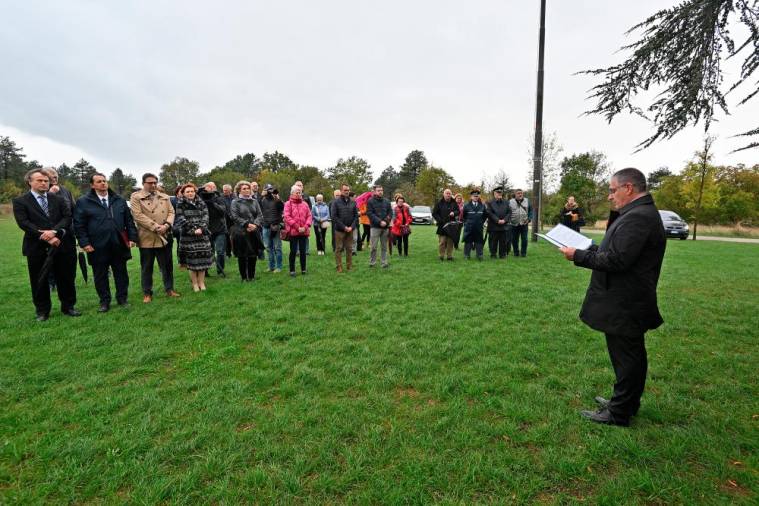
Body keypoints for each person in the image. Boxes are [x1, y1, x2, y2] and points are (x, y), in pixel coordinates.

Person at [560, 168, 666, 427]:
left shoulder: (638, 217)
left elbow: (618, 260)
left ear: (628, 188)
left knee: (628, 356)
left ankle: (619, 412)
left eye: (612, 190)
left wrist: (579, 255)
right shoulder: (636, 213)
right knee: (626, 355)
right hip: (624, 298)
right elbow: (618, 251)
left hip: (626, 300)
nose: (609, 196)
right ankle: (624, 402)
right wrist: (591, 248)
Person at [12, 168, 80, 321]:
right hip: (36, 247)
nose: (44, 183)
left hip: (62, 245)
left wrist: (54, 232)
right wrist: (45, 236)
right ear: (29, 181)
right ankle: (42, 311)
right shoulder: (20, 201)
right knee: (39, 279)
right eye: (40, 180)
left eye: (46, 181)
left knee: (66, 277)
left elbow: (67, 217)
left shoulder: (58, 199)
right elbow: (24, 223)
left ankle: (68, 307)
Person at [73, 173, 138, 312]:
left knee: (121, 273)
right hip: (96, 245)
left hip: (118, 243)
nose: (103, 183)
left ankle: (122, 299)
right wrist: (84, 243)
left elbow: (129, 221)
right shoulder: (84, 201)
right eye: (99, 181)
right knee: (100, 275)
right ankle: (104, 302)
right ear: (92, 185)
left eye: (104, 181)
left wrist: (132, 238)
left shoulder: (118, 199)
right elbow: (79, 225)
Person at [130, 173, 180, 302]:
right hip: (147, 237)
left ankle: (169, 289)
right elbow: (137, 215)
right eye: (150, 182)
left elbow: (171, 212)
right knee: (147, 267)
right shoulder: (136, 197)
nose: (153, 185)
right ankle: (147, 293)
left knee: (167, 266)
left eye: (155, 182)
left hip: (165, 235)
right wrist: (156, 227)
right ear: (143, 183)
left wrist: (167, 225)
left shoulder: (164, 196)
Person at [175, 183, 214, 291]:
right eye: (188, 192)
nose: (190, 193)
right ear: (183, 193)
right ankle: (195, 284)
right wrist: (193, 230)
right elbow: (181, 218)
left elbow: (206, 216)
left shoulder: (201, 202)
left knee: (202, 260)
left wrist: (201, 228)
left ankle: (201, 282)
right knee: (192, 261)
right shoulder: (180, 204)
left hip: (202, 234)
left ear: (195, 192)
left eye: (192, 191)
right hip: (188, 236)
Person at [230, 181, 264, 281]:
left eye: (248, 188)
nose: (246, 190)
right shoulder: (235, 202)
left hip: (254, 231)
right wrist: (247, 224)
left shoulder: (254, 201)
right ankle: (244, 277)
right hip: (241, 232)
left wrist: (255, 225)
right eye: (244, 188)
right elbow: (234, 216)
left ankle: (252, 276)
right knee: (242, 255)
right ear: (239, 190)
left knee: (253, 254)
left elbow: (260, 215)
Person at [198, 182, 229, 277]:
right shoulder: (200, 198)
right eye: (206, 189)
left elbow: (223, 212)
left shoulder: (219, 198)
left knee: (220, 251)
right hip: (206, 229)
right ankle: (205, 271)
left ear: (214, 188)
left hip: (220, 229)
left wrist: (212, 203)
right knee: (207, 251)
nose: (208, 191)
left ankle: (220, 270)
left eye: (211, 188)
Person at [283, 185, 312, 277]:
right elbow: (287, 217)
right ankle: (292, 270)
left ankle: (303, 269)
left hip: (304, 231)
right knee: (293, 251)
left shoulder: (305, 204)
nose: (299, 194)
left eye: (300, 192)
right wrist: (297, 227)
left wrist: (306, 226)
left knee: (303, 251)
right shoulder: (288, 204)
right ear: (292, 193)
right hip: (293, 232)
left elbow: (309, 216)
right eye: (297, 192)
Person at [330, 183, 358, 272]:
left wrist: (351, 227)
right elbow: (334, 217)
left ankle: (349, 267)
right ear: (341, 191)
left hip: (350, 230)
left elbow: (356, 217)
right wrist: (344, 227)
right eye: (345, 190)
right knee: (338, 248)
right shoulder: (336, 202)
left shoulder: (353, 202)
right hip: (339, 230)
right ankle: (339, 267)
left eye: (348, 190)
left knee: (349, 248)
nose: (347, 192)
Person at [260, 184, 285, 272]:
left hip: (275, 226)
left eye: (271, 190)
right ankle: (271, 267)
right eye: (268, 190)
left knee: (277, 248)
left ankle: (279, 267)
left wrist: (278, 199)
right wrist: (261, 195)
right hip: (265, 226)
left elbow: (282, 208)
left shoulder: (277, 199)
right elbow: (257, 207)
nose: (270, 192)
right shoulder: (262, 200)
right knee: (268, 248)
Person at [366, 185, 392, 268]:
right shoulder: (370, 201)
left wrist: (386, 221)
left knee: (384, 246)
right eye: (378, 190)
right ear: (374, 191)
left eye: (381, 190)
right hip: (375, 227)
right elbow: (370, 213)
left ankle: (384, 263)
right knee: (373, 247)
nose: (380, 192)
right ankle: (372, 262)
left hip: (385, 227)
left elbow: (390, 213)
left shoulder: (387, 201)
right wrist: (380, 221)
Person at [432, 189, 459, 261]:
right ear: (443, 194)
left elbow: (458, 211)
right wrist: (440, 220)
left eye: (449, 193)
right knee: (442, 242)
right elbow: (434, 213)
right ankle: (441, 256)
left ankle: (449, 256)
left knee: (450, 242)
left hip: (451, 225)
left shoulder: (454, 203)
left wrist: (454, 213)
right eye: (447, 193)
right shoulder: (439, 203)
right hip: (442, 225)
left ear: (451, 195)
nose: (448, 195)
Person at [486, 187, 512, 259]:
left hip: (504, 226)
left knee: (503, 241)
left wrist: (504, 220)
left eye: (500, 193)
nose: (499, 194)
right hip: (493, 226)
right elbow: (489, 213)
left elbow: (509, 212)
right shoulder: (490, 202)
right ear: (494, 194)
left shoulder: (506, 202)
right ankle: (493, 254)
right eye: (498, 193)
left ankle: (502, 255)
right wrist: (497, 220)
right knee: (493, 241)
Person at [462, 189, 487, 260]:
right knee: (468, 241)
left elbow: (485, 215)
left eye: (477, 196)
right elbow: (463, 216)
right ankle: (467, 255)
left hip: (479, 227)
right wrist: (467, 223)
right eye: (474, 196)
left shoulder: (482, 206)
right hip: (469, 227)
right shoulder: (466, 206)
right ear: (471, 197)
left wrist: (481, 222)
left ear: (478, 197)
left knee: (479, 241)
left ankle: (479, 255)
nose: (475, 197)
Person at [509, 189, 532, 257]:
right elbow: (507, 211)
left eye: (521, 193)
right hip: (514, 224)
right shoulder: (510, 202)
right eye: (518, 193)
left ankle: (523, 253)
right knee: (514, 239)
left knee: (524, 239)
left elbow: (531, 211)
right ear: (515, 194)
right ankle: (516, 252)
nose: (520, 194)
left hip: (524, 224)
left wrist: (529, 219)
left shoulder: (527, 201)